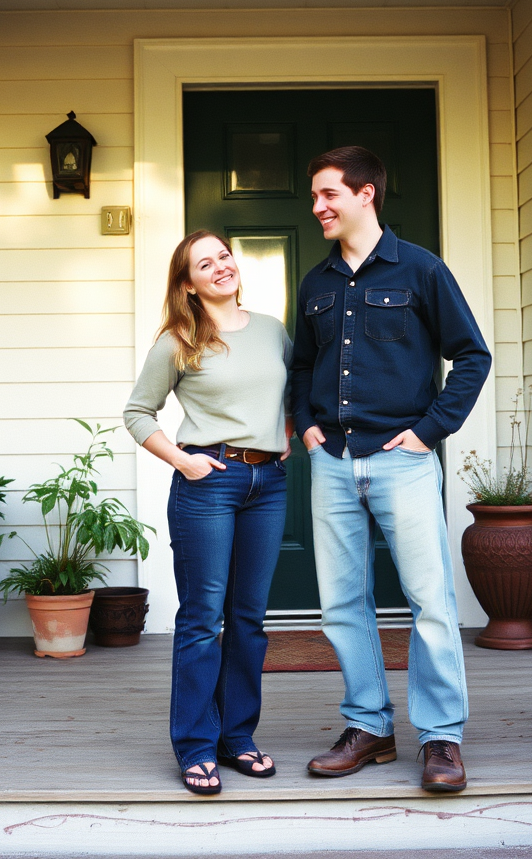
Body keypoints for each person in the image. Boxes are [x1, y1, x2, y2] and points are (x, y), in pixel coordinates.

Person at [290, 146, 491, 792]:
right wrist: (305, 422)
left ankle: (441, 737)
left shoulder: (422, 270)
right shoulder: (317, 284)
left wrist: (430, 431)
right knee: (342, 605)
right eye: (315, 196)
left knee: (430, 603)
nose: (317, 207)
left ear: (366, 194)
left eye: (328, 194)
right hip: (333, 461)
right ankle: (368, 727)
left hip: (403, 462)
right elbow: (302, 366)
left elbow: (472, 356)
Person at [124, 230, 292, 795]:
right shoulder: (179, 340)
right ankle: (196, 746)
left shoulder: (270, 329)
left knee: (249, 619)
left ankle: (237, 737)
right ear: (188, 284)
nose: (221, 266)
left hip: (268, 484)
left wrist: (287, 431)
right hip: (208, 483)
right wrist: (182, 460)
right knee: (203, 619)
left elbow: (293, 389)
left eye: (224, 256)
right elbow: (137, 413)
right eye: (205, 263)